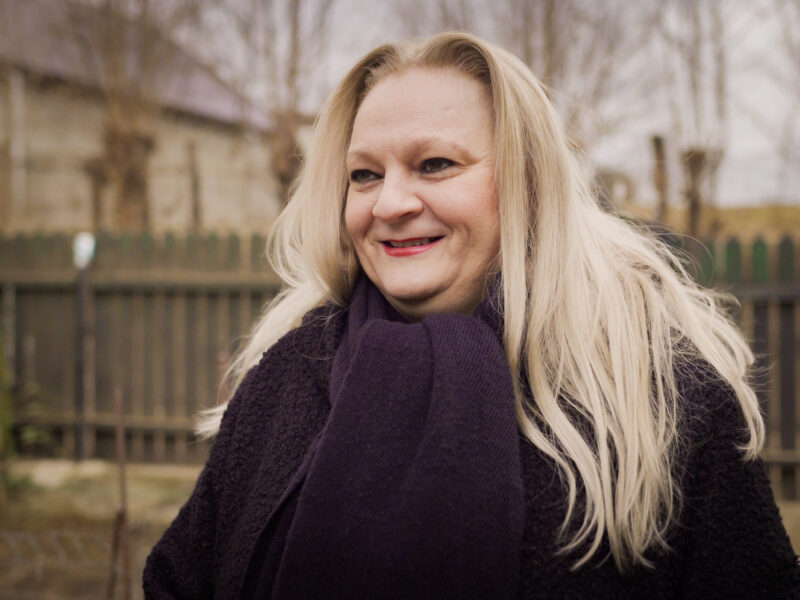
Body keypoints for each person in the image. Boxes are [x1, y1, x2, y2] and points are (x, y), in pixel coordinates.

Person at [144, 32, 800, 599]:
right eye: (365, 175)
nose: (390, 203)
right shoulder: (288, 374)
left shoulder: (656, 400)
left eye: (435, 164)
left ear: (527, 181)